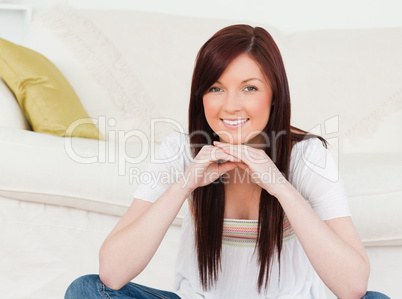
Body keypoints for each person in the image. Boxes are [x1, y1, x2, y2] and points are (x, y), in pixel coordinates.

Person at [65, 25, 389, 299]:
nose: (231, 105)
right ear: (200, 96)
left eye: (249, 88)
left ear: (274, 95)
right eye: (216, 88)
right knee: (86, 290)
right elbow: (111, 273)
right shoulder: (182, 149)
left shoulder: (306, 156)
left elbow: (353, 286)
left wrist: (280, 187)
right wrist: (185, 184)